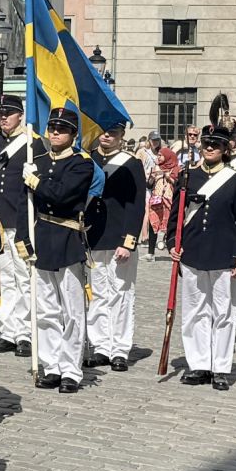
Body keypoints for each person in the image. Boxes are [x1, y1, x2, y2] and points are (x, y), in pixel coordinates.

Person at [166, 122, 236, 390]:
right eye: (206, 143)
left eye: (216, 144)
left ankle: (221, 367)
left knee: (224, 313)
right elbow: (175, 215)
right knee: (194, 311)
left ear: (226, 149)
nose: (210, 147)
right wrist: (171, 241)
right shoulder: (188, 176)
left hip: (223, 254)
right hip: (192, 252)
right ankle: (199, 363)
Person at [26, 106, 96, 393]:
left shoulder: (82, 163)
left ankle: (70, 369)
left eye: (62, 129)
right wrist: (24, 240)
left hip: (67, 238)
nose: (55, 133)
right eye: (52, 128)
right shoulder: (38, 161)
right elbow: (25, 205)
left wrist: (37, 182)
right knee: (46, 310)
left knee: (72, 310)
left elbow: (62, 194)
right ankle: (51, 365)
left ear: (73, 134)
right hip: (42, 236)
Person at [83, 118, 145, 374]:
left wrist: (128, 241)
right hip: (94, 235)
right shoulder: (87, 160)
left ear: (121, 136)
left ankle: (119, 348)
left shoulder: (131, 164)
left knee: (120, 293)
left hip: (119, 237)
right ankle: (100, 345)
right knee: (96, 294)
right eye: (103, 132)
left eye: (113, 133)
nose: (107, 137)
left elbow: (136, 204)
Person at [0, 93, 38, 359]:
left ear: (20, 115)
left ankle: (25, 333)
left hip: (20, 220)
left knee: (24, 277)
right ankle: (7, 330)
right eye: (0, 113)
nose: (3, 117)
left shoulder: (31, 144)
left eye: (8, 113)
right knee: (4, 278)